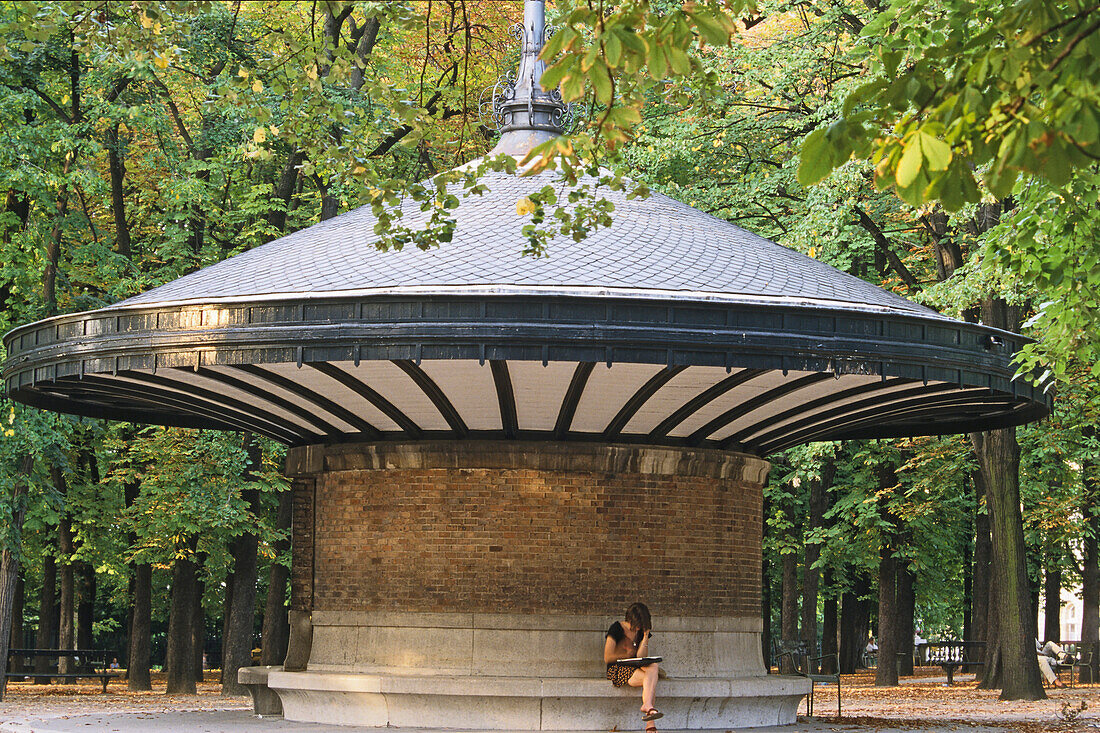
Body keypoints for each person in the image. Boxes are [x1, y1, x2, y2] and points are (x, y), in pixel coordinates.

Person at [605, 602, 662, 729]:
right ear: (630, 619)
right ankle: (650, 723)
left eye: (641, 626)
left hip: (635, 666)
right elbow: (607, 657)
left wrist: (645, 637)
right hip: (617, 669)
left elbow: (641, 656)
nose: (638, 628)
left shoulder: (641, 631)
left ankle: (647, 705)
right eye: (637, 625)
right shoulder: (616, 628)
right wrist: (626, 654)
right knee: (651, 680)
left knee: (653, 667)